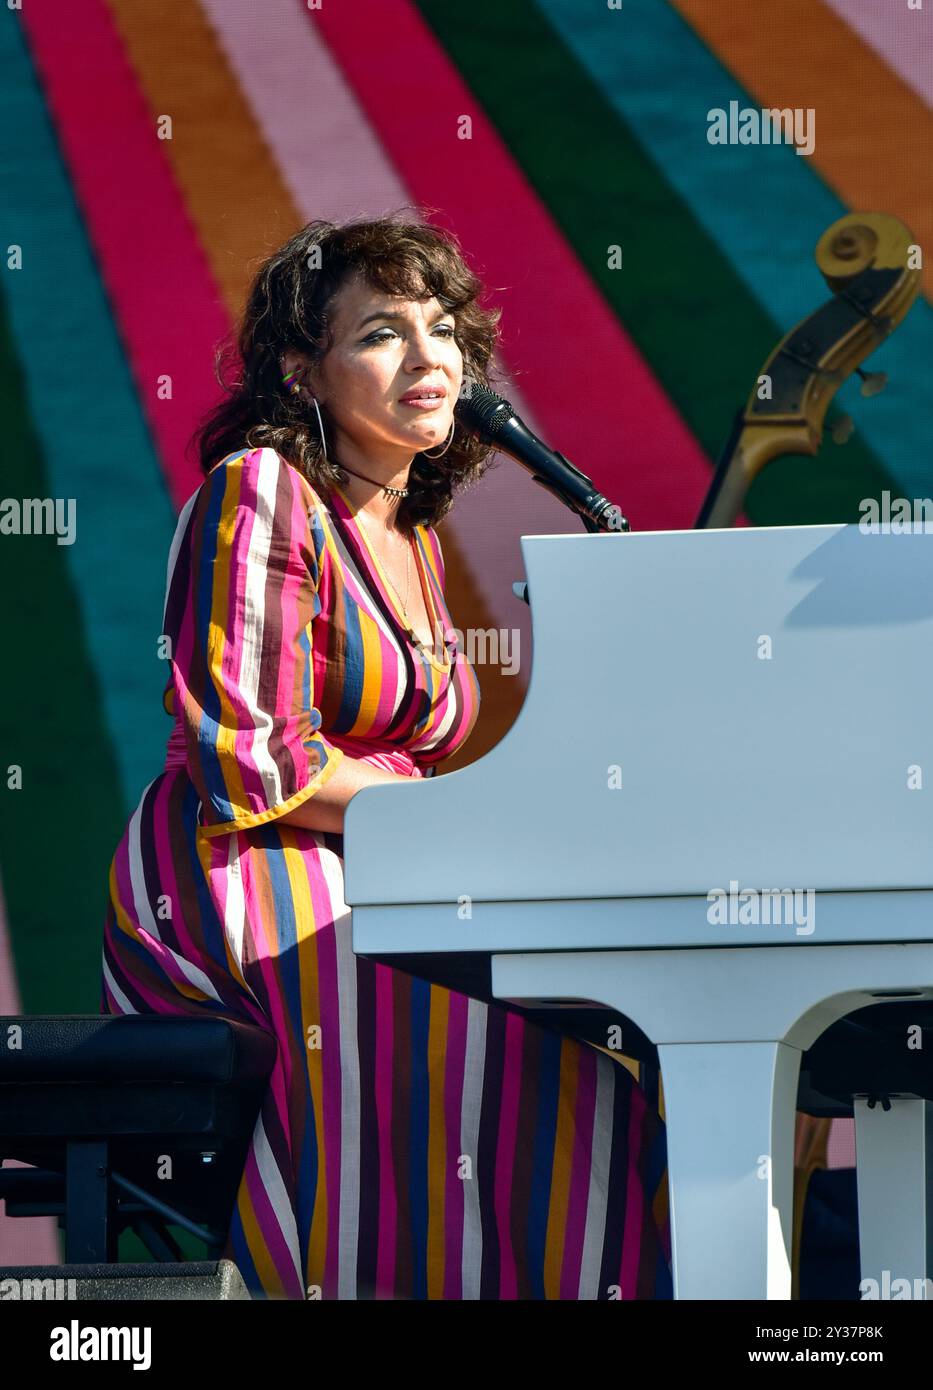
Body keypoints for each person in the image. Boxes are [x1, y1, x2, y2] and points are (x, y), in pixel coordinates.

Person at [101, 212, 671, 1300]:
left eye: (444, 327)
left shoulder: (409, 533)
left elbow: (418, 772)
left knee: (597, 1055)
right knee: (485, 1043)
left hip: (386, 857)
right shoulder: (263, 489)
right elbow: (254, 759)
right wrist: (470, 829)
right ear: (298, 369)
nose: (431, 357)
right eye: (381, 333)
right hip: (241, 874)